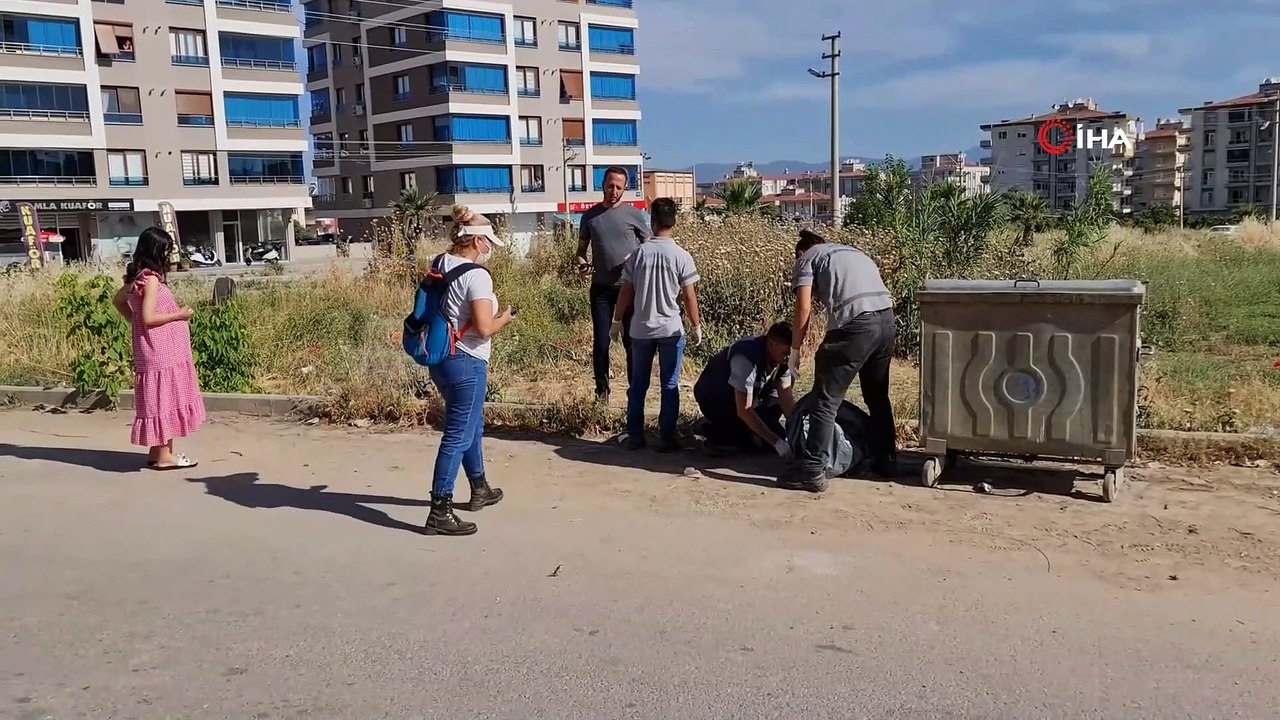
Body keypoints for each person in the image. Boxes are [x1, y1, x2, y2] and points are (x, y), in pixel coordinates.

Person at [422, 205, 514, 536]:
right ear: (476, 241)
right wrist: (505, 318)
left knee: (471, 423)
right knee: (458, 434)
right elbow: (484, 328)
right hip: (467, 361)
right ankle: (439, 510)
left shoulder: (439, 262)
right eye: (488, 242)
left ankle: (479, 487)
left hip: (440, 357)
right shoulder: (477, 276)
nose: (489, 248)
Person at [782, 229, 897, 493]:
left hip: (856, 325)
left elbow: (803, 307)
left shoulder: (806, 258)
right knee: (877, 397)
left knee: (825, 399)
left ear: (800, 252)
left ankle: (812, 470)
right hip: (887, 322)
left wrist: (795, 351)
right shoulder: (852, 252)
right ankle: (886, 461)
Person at [610, 197, 700, 453]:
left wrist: (617, 320)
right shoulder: (681, 256)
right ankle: (666, 437)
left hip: (641, 329)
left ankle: (635, 435)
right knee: (669, 384)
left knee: (638, 384)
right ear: (674, 222)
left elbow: (626, 291)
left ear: (653, 221)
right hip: (670, 329)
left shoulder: (639, 254)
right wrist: (696, 325)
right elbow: (689, 296)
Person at [111, 226, 205, 470]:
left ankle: (157, 451)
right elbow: (150, 317)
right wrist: (179, 315)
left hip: (153, 347)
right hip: (160, 349)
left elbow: (118, 301)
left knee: (158, 397)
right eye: (165, 250)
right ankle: (165, 456)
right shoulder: (150, 280)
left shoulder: (138, 277)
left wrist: (134, 321)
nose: (168, 255)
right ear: (155, 250)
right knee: (165, 398)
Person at [576, 166, 651, 404]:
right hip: (601, 290)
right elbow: (580, 252)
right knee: (601, 342)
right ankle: (602, 393)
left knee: (631, 342)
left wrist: (635, 259)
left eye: (619, 187)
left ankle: (635, 393)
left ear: (625, 188)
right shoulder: (589, 217)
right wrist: (583, 265)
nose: (614, 191)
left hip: (629, 289)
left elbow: (650, 246)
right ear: (603, 185)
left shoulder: (634, 215)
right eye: (610, 186)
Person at [693, 321, 797, 456]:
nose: (789, 357)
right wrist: (777, 443)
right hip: (717, 399)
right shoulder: (746, 358)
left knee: (775, 438)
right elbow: (744, 410)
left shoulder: (783, 359)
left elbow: (786, 401)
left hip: (749, 398)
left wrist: (799, 433)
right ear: (772, 344)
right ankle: (709, 429)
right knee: (740, 444)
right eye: (786, 353)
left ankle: (749, 432)